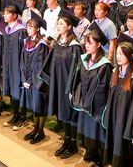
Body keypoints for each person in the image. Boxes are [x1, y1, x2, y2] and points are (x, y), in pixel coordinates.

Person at [102, 36, 133, 167]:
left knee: (126, 156)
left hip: (127, 126)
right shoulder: (115, 74)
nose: (118, 57)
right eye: (117, 53)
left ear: (131, 56)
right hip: (115, 122)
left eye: (122, 54)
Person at [39, 11, 83, 159]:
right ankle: (67, 140)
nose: (58, 26)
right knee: (63, 113)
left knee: (70, 114)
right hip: (58, 83)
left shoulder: (74, 47)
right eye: (57, 24)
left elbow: (77, 69)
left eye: (61, 24)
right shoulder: (58, 43)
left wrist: (71, 87)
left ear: (69, 27)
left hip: (69, 85)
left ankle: (73, 144)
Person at [68, 22, 113, 167]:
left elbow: (102, 88)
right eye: (86, 43)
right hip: (84, 103)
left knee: (96, 133)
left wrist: (89, 103)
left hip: (96, 107)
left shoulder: (104, 65)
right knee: (86, 131)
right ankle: (90, 154)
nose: (86, 46)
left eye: (90, 43)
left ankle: (99, 161)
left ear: (99, 45)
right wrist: (78, 99)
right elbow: (77, 80)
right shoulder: (83, 60)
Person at [20, 14, 50, 144]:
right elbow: (22, 61)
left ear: (37, 29)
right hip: (28, 80)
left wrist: (30, 81)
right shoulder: (27, 42)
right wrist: (24, 79)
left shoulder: (41, 45)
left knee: (39, 106)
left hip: (38, 82)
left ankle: (40, 131)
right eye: (28, 27)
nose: (28, 29)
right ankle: (35, 129)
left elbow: (40, 66)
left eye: (31, 27)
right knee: (33, 106)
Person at [2, 2, 28, 130]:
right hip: (8, 64)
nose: (4, 16)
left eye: (7, 14)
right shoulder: (7, 29)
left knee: (18, 90)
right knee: (12, 89)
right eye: (4, 13)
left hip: (17, 65)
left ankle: (22, 118)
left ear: (14, 16)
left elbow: (25, 50)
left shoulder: (21, 31)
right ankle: (15, 115)